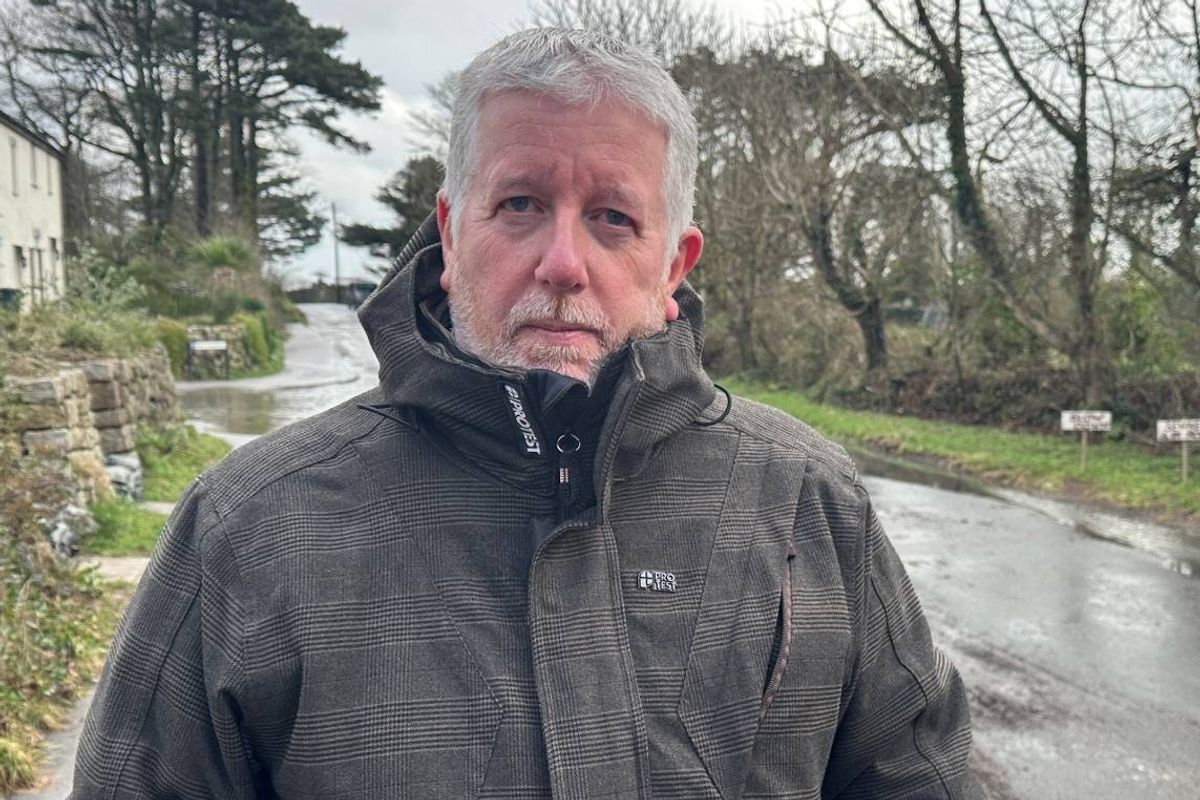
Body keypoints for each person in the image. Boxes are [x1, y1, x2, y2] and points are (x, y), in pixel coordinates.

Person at [72, 28, 978, 799]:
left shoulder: (810, 506)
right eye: (520, 204)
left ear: (675, 266)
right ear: (452, 229)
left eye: (614, 218)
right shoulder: (250, 525)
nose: (562, 262)